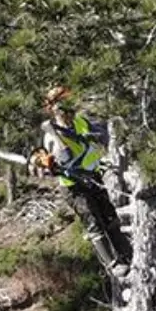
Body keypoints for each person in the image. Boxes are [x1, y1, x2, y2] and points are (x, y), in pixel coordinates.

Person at [32, 86, 131, 278]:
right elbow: (51, 162)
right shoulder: (51, 135)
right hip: (73, 187)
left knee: (109, 217)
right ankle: (113, 264)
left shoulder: (80, 122)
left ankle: (127, 253)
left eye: (68, 105)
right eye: (61, 106)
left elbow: (100, 135)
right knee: (93, 222)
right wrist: (48, 164)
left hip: (93, 177)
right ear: (53, 109)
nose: (67, 110)